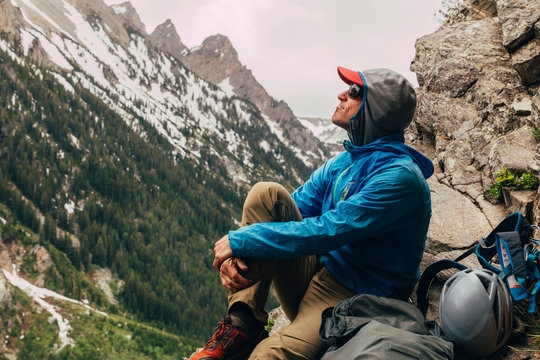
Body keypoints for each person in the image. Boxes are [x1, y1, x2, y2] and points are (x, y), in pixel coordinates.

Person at [190, 66, 434, 360]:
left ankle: (260, 342)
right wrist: (240, 252)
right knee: (266, 195)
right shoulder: (344, 162)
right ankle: (243, 321)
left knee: (269, 355)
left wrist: (242, 241)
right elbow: (288, 211)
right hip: (316, 273)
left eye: (355, 92)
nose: (341, 95)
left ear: (377, 111)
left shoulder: (400, 179)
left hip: (354, 299)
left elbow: (328, 230)